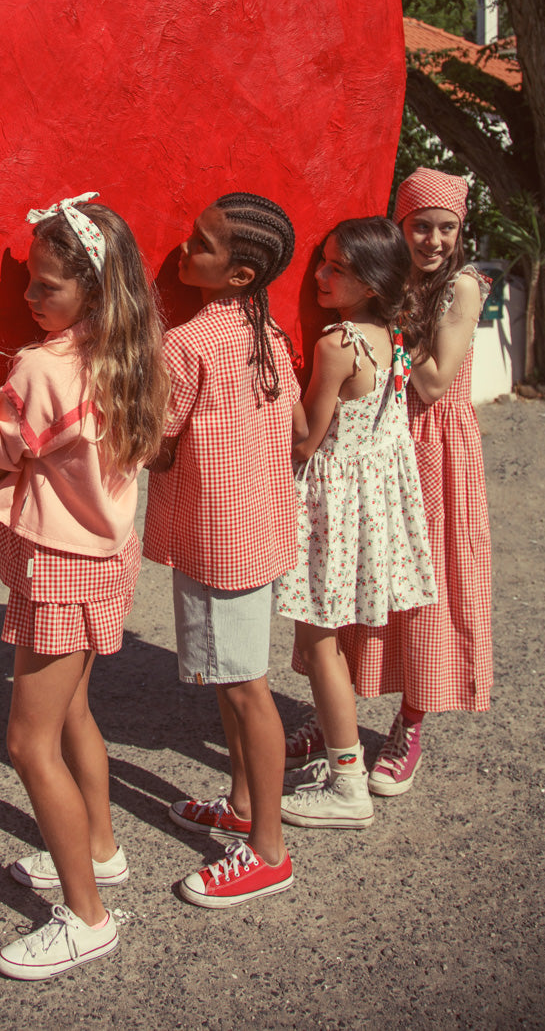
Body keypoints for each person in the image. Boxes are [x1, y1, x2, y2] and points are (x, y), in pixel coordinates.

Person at [0, 195, 168, 981]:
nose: (27, 298)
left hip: (57, 566)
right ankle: (100, 847)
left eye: (45, 287)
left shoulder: (40, 367)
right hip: (104, 557)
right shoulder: (131, 349)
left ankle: (87, 918)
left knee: (27, 742)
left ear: (90, 288)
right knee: (75, 710)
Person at [306, 168, 492, 796]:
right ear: (400, 223)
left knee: (427, 589)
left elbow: (435, 382)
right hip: (385, 440)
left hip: (436, 446)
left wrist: (387, 334)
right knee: (359, 579)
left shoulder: (462, 285)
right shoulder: (389, 275)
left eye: (446, 227)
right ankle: (340, 717)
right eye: (420, 225)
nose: (433, 239)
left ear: (461, 231)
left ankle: (412, 721)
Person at [147, 193, 305, 908]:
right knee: (231, 680)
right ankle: (243, 804)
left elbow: (154, 440)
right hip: (255, 531)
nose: (185, 250)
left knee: (247, 688)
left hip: (219, 538)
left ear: (239, 273)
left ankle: (268, 849)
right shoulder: (267, 332)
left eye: (201, 244)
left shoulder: (187, 343)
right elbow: (298, 426)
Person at [273, 218, 436, 828]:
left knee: (318, 645)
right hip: (365, 511)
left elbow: (306, 437)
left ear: (368, 281)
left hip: (331, 511)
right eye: (323, 261)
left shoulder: (337, 344)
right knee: (325, 643)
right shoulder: (390, 336)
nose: (320, 273)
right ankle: (340, 759)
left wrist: (273, 381)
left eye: (335, 267)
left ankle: (347, 782)